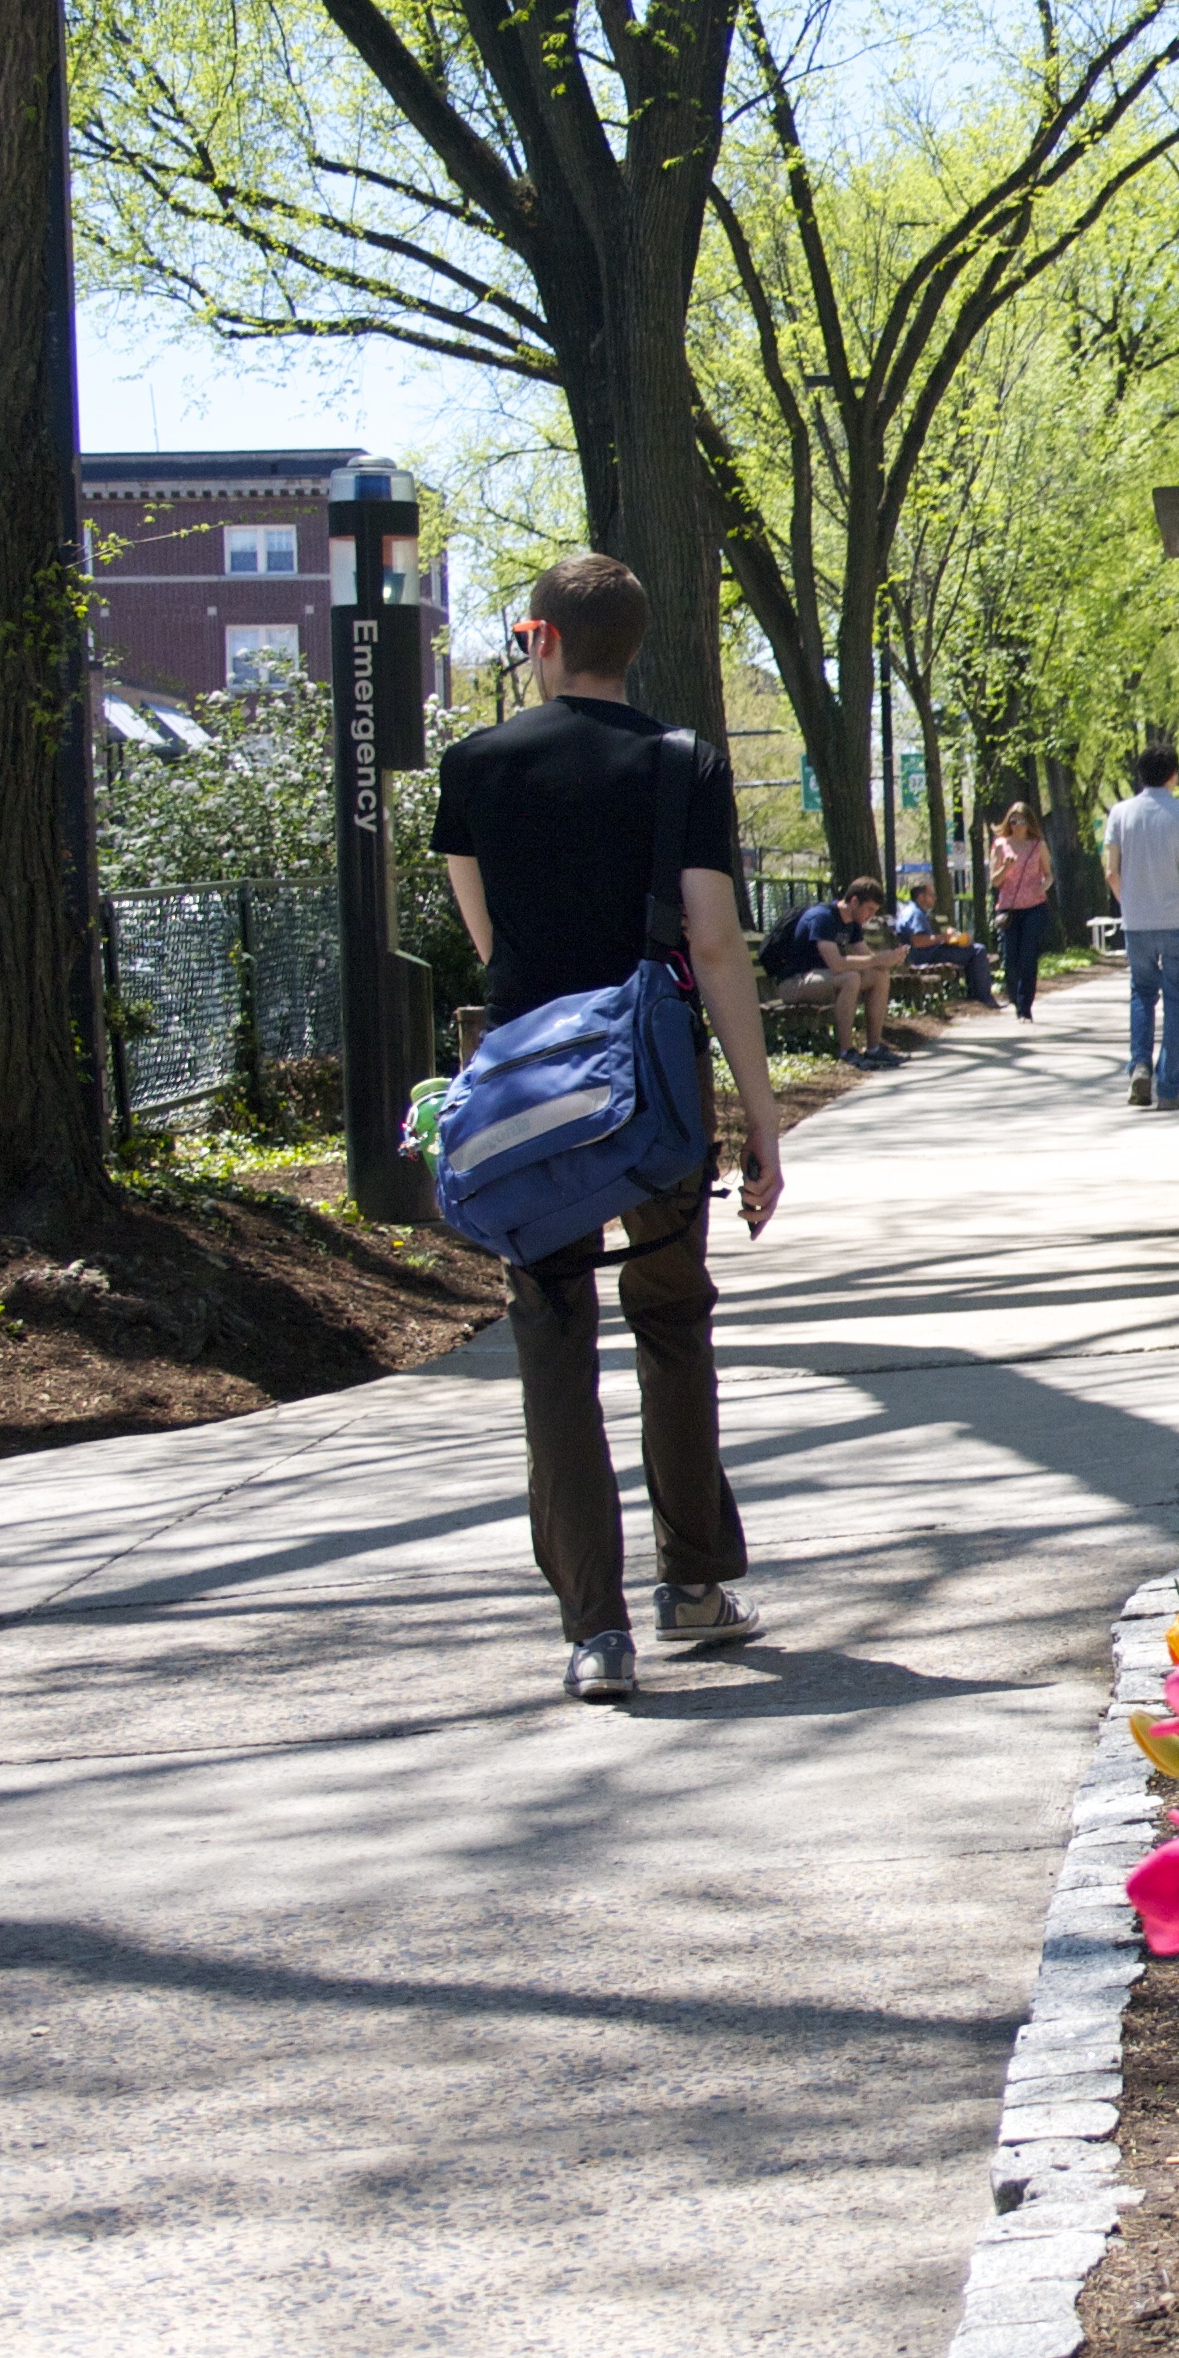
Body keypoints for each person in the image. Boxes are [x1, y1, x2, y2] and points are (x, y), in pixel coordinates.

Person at [433, 552, 785, 1705]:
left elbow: (490, 943)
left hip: (535, 1086)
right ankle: (693, 1582)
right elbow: (718, 945)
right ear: (634, 646)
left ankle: (595, 1629)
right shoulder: (681, 764)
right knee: (674, 1316)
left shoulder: (474, 765)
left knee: (552, 1338)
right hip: (656, 1079)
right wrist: (761, 1119)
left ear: (539, 639)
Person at [1102, 740, 1179, 1109]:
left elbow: (1111, 872)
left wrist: (1130, 905)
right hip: (1178, 921)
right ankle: (1168, 1089)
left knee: (1142, 994)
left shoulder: (1120, 813)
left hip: (1137, 924)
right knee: (1178, 1003)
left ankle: (1139, 1068)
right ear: (1173, 774)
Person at [764, 878, 905, 1066]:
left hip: (823, 979)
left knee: (879, 976)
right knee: (850, 978)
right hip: (793, 983)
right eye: (869, 909)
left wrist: (891, 959)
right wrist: (878, 959)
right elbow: (837, 964)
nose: (871, 915)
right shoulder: (823, 917)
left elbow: (868, 959)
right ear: (854, 901)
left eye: (875, 911)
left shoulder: (853, 923)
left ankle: (874, 1049)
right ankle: (846, 1051)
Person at [990, 804, 1056, 1019]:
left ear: (1030, 823)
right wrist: (1005, 868)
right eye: (1013, 821)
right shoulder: (1000, 846)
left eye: (1022, 821)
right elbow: (994, 880)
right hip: (1009, 909)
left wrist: (1043, 886)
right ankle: (1013, 996)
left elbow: (1048, 875)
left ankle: (1024, 1006)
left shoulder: (1038, 845)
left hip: (1034, 907)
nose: (1017, 826)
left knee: (1028, 957)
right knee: (1010, 959)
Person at [894, 878, 993, 1006]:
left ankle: (976, 996)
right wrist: (943, 938)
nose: (935, 898)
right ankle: (984, 998)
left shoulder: (910, 910)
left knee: (972, 949)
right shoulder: (916, 914)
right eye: (931, 894)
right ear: (920, 896)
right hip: (923, 956)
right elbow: (918, 941)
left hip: (920, 954)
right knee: (978, 950)